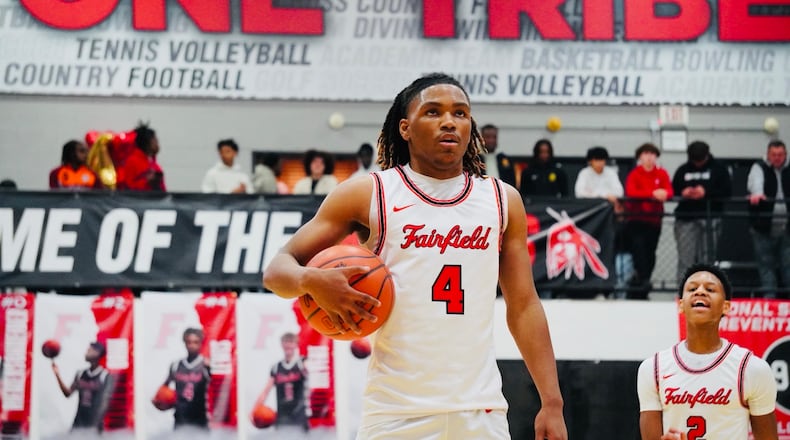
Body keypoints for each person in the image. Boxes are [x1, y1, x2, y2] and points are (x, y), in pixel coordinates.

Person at [262, 73, 567, 439]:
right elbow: (277, 270)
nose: (449, 121)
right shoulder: (369, 193)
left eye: (460, 113)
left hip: (480, 412)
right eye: (433, 112)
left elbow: (524, 305)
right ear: (405, 128)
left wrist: (552, 402)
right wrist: (310, 279)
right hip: (395, 413)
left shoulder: (502, 201)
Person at [637, 263, 777, 440]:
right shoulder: (653, 369)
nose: (700, 291)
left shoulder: (752, 368)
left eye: (710, 289)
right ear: (681, 305)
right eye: (692, 288)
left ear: (726, 307)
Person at [672, 141, 732, 282]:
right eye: (695, 160)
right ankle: (683, 292)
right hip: (686, 218)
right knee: (685, 259)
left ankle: (707, 290)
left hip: (710, 218)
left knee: (707, 259)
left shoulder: (719, 169)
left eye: (701, 160)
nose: (698, 163)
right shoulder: (682, 170)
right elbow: (673, 189)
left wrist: (706, 192)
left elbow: (727, 192)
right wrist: (683, 193)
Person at [624, 143, 674, 300]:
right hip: (637, 219)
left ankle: (643, 282)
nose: (649, 157)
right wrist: (652, 193)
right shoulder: (635, 174)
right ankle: (641, 280)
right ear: (640, 156)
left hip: (654, 220)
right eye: (646, 153)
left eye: (652, 154)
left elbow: (669, 192)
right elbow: (632, 192)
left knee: (651, 252)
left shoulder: (662, 173)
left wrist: (663, 193)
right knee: (639, 250)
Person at [747, 139, 790, 298]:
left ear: (785, 155)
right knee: (766, 265)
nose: (777, 158)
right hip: (763, 226)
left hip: (787, 228)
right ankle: (770, 300)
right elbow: (756, 184)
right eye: (774, 155)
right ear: (768, 155)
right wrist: (758, 194)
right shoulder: (759, 167)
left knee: (788, 265)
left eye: (780, 155)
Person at [52, 342, 112, 434]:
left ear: (97, 353)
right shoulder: (80, 374)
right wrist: (57, 374)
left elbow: (106, 403)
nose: (86, 353)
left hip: (94, 425)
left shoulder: (104, 376)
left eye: (89, 350)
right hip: (78, 423)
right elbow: (67, 393)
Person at [254, 332, 309, 432]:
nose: (288, 345)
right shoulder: (276, 367)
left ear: (296, 344)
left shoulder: (302, 363)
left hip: (300, 416)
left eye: (291, 342)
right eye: (286, 342)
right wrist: (255, 408)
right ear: (282, 344)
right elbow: (266, 390)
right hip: (282, 416)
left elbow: (314, 376)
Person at [158, 328, 210, 431]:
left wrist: (211, 368)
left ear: (200, 343)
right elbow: (165, 386)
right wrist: (161, 400)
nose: (192, 345)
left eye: (196, 342)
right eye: (189, 342)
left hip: (199, 418)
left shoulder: (206, 365)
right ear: (184, 342)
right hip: (180, 418)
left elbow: (217, 389)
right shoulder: (176, 365)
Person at [117, 122, 166, 191]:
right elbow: (127, 188)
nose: (157, 143)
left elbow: (162, 189)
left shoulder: (154, 164)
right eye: (154, 140)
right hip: (139, 200)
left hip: (155, 200)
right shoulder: (132, 162)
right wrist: (147, 182)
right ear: (146, 143)